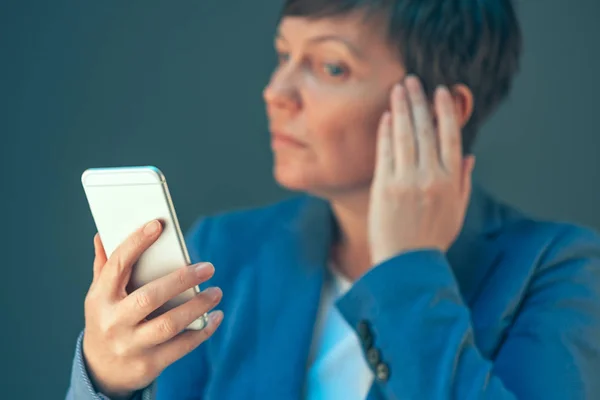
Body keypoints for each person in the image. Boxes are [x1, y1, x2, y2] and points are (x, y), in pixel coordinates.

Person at [67, 0, 600, 399]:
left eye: (331, 67)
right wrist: (106, 382)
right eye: (283, 55)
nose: (276, 90)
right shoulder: (224, 252)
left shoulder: (560, 271)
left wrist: (408, 269)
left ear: (447, 110)